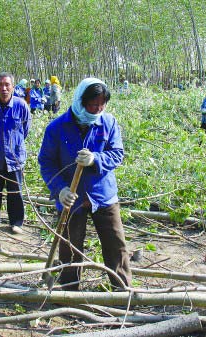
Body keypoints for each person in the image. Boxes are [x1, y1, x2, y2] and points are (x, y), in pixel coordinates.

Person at [38, 77, 132, 291]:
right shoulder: (57, 128)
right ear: (81, 102)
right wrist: (59, 189)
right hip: (71, 197)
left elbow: (117, 154)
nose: (97, 109)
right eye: (93, 105)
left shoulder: (108, 123)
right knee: (69, 248)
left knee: (116, 246)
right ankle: (70, 291)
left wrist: (96, 159)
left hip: (103, 196)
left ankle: (123, 292)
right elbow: (46, 162)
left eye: (102, 105)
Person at [0, 72, 32, 235]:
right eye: (1, 84)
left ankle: (16, 223)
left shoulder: (21, 105)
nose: (4, 88)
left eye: (7, 84)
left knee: (15, 192)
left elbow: (25, 130)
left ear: (13, 87)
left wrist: (13, 145)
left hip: (15, 158)